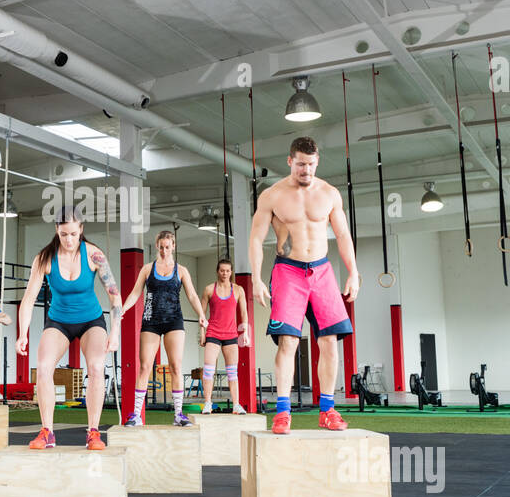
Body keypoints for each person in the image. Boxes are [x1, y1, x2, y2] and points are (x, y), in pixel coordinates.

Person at [250, 136, 359, 434]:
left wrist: (353, 272)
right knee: (289, 342)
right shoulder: (272, 196)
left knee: (330, 343)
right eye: (300, 164)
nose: (305, 170)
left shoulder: (330, 194)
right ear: (289, 161)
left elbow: (344, 235)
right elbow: (256, 239)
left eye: (310, 164)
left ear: (317, 161)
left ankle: (328, 410)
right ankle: (283, 413)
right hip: (288, 271)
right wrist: (257, 278)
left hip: (322, 271)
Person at [15, 208, 121, 450]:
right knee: (43, 368)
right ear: (57, 231)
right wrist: (22, 333)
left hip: (91, 321)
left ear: (81, 229)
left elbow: (115, 298)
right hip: (59, 321)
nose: (70, 240)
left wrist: (114, 332)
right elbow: (29, 298)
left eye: (74, 233)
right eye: (64, 234)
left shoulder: (94, 255)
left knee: (95, 367)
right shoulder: (44, 258)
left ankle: (93, 432)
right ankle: (47, 432)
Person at [119, 230, 205, 426]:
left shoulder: (181, 270)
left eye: (168, 247)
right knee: (145, 367)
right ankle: (136, 415)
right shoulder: (147, 269)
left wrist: (201, 314)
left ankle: (178, 415)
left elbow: (192, 295)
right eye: (161, 247)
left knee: (175, 366)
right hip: (151, 321)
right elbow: (134, 293)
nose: (165, 251)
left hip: (174, 320)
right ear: (157, 246)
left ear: (173, 246)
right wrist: (122, 309)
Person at [198, 257, 250, 414]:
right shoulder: (208, 289)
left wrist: (245, 333)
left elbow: (243, 313)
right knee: (208, 370)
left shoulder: (238, 290)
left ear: (231, 272)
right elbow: (201, 314)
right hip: (213, 332)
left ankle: (236, 405)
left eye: (227, 271)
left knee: (232, 372)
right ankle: (207, 403)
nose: (225, 273)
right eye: (222, 271)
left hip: (231, 334)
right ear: (217, 271)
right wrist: (202, 334)